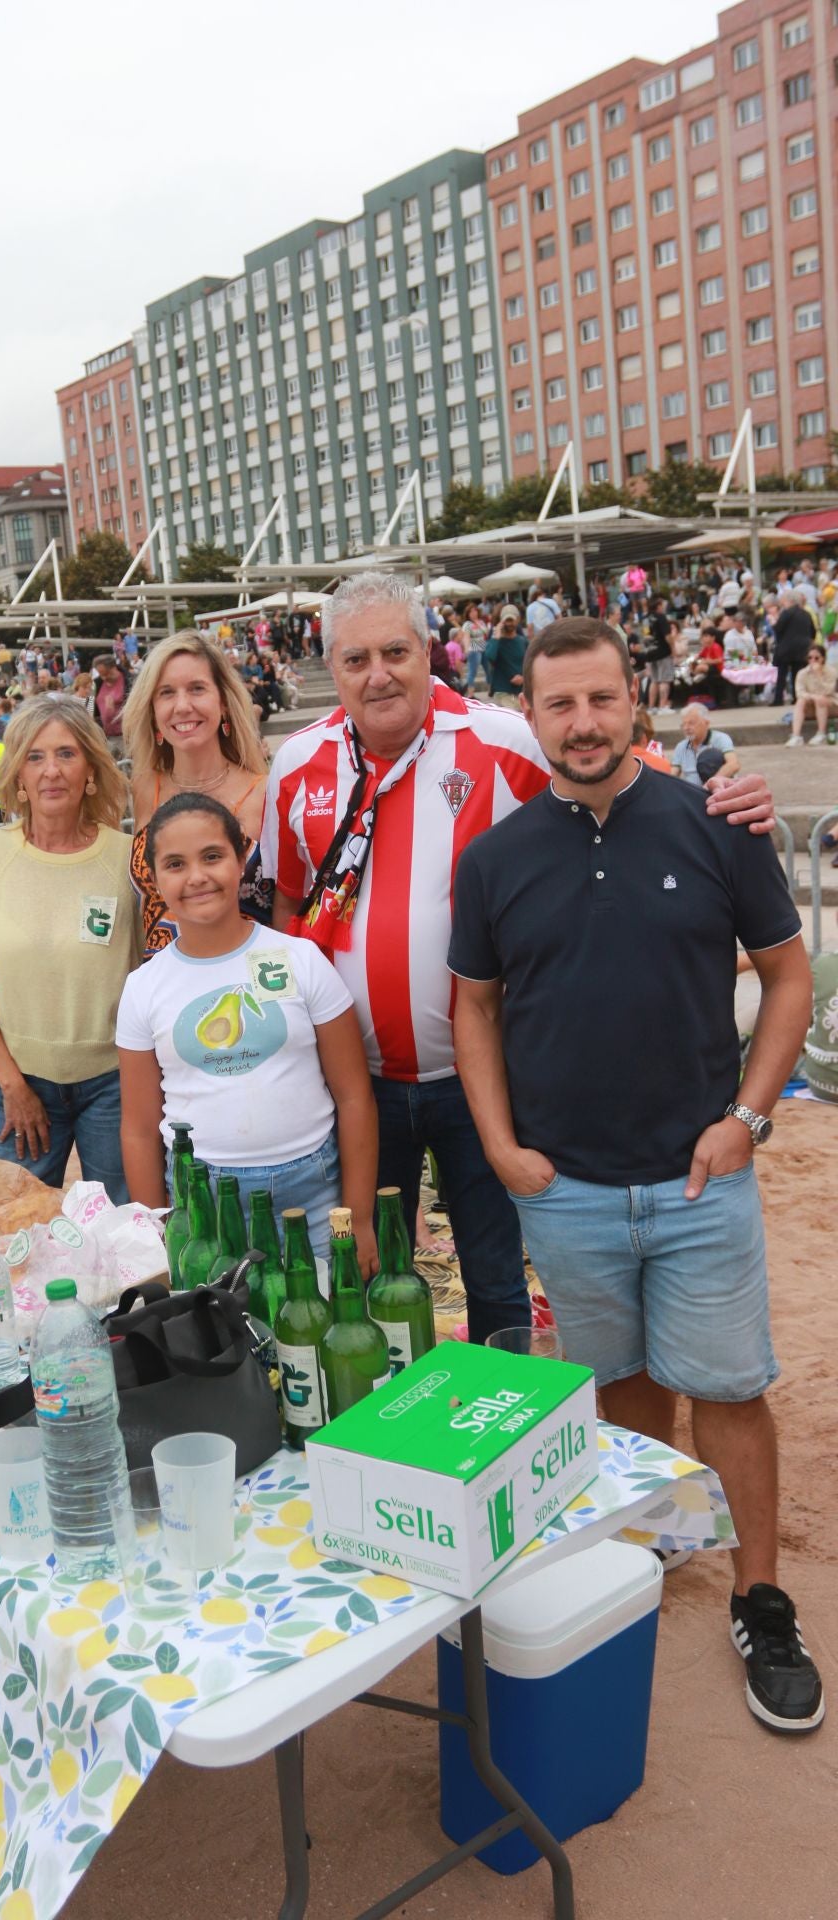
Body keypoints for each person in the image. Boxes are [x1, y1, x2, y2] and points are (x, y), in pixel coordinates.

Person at [448, 616, 822, 1734]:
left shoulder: (716, 824)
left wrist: (747, 1119)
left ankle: (761, 1601)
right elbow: (473, 1008)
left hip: (700, 1181)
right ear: (527, 713)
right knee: (620, 1386)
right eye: (559, 704)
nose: (582, 724)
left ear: (634, 702)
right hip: (564, 1190)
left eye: (600, 699)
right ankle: (652, 1553)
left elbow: (788, 977)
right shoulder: (495, 858)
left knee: (730, 1391)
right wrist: (500, 1146)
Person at [260, 571, 778, 1344]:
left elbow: (621, 783)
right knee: (364, 1272)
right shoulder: (298, 763)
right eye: (356, 658)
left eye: (395, 652)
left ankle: (499, 1410)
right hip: (354, 1084)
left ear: (428, 651)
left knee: (494, 1273)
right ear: (330, 665)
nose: (378, 675)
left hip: (482, 1077)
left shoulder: (503, 740)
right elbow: (286, 907)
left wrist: (729, 801)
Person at [117, 793, 378, 1265]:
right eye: (175, 864)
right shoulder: (143, 987)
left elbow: (355, 1096)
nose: (196, 876)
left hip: (312, 1195)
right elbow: (138, 1128)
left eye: (212, 856)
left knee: (317, 1307)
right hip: (203, 1204)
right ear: (154, 879)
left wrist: (358, 1218)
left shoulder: (300, 960)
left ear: (242, 861)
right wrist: (156, 1230)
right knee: (219, 1314)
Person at [0, 696, 140, 1200]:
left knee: (125, 1227)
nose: (52, 770)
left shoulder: (126, 858)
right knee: (4, 1225)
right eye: (35, 756)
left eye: (66, 754)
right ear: (18, 775)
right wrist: (13, 1085)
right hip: (18, 1081)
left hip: (114, 1084)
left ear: (90, 768)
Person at [122, 631, 271, 956]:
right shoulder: (144, 787)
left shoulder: (266, 794)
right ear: (152, 711)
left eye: (197, 689)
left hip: (249, 978)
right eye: (166, 693)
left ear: (224, 703)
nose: (182, 706)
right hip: (162, 978)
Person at [672, 705, 739, 785]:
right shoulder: (681, 746)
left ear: (706, 723)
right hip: (692, 790)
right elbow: (673, 774)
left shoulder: (720, 739)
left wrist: (710, 784)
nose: (686, 728)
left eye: (691, 723)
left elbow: (733, 765)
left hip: (719, 789)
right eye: (683, 724)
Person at [771, 590, 816, 706]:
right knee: (798, 674)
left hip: (787, 647)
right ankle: (797, 697)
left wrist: (773, 623)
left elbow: (778, 628)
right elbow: (813, 631)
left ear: (789, 601)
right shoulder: (806, 614)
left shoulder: (786, 613)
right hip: (803, 647)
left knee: (782, 674)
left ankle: (778, 699)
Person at [786, 647, 834, 748]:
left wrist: (818, 675)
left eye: (816, 658)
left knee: (820, 700)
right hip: (812, 704)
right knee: (801, 701)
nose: (813, 660)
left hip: (831, 704)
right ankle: (796, 736)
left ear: (823, 658)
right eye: (810, 658)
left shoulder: (831, 672)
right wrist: (813, 696)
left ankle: (821, 733)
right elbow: (800, 692)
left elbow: (829, 691)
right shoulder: (802, 673)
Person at [484, 605, 526, 705]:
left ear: (517, 620)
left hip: (521, 692)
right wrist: (496, 637)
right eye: (507, 620)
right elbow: (489, 657)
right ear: (501, 621)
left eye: (512, 620)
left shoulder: (523, 641)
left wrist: (524, 678)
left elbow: (531, 665)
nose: (509, 623)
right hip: (502, 691)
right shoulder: (495, 641)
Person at [92, 654, 128, 753]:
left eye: (106, 673)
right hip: (105, 737)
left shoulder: (128, 681)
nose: (104, 678)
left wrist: (115, 713)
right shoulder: (97, 683)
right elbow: (94, 710)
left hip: (124, 737)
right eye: (101, 674)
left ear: (113, 667)